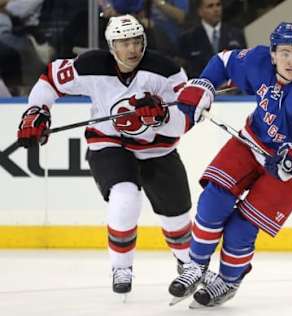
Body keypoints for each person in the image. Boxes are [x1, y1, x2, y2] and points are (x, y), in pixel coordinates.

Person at [167, 22, 292, 307]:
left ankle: (227, 281)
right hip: (252, 143)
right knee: (213, 200)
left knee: (241, 228)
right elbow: (223, 61)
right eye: (285, 52)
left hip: (288, 169)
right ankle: (195, 265)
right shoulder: (257, 61)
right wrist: (204, 85)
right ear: (273, 54)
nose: (291, 61)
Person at [16, 14, 195, 296]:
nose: (132, 49)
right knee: (124, 196)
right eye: (124, 43)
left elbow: (188, 116)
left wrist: (162, 115)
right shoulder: (91, 65)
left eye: (137, 41)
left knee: (177, 216)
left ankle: (189, 265)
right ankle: (121, 266)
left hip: (158, 149)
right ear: (112, 46)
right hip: (110, 142)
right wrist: (37, 111)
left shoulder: (166, 71)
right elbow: (50, 79)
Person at [177, 0, 246, 77]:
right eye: (210, 6)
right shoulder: (187, 39)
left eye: (218, 5)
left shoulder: (236, 34)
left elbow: (244, 63)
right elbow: (187, 71)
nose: (216, 9)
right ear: (200, 11)